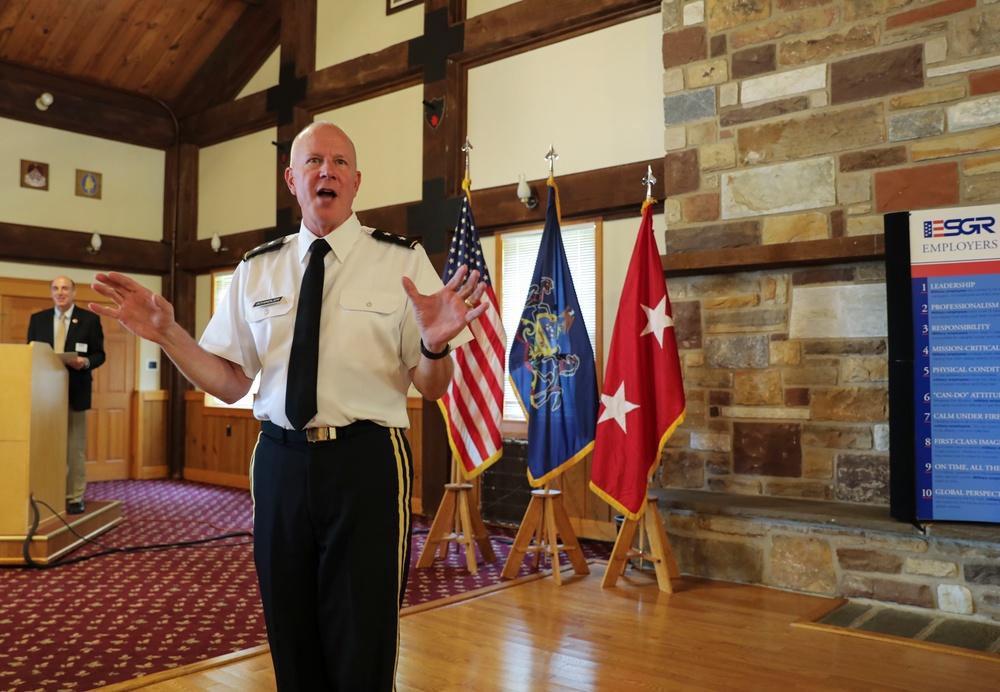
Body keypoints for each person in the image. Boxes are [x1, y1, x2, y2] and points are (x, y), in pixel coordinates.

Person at [90, 121, 487, 691]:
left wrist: (434, 342)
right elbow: (229, 384)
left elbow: (433, 386)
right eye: (314, 162)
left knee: (362, 636)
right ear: (292, 180)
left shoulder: (401, 262)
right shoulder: (257, 268)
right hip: (279, 462)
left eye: (340, 163)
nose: (327, 171)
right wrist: (169, 334)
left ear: (355, 182)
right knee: (291, 634)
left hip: (367, 463)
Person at [27, 276, 106, 515]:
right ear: (51, 292)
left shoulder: (90, 320)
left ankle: (74, 497)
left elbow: (100, 355)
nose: (60, 292)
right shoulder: (38, 320)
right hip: (44, 396)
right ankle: (45, 493)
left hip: (76, 391)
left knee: (74, 448)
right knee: (46, 446)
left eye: (65, 288)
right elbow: (31, 353)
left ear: (73, 292)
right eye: (56, 288)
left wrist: (85, 362)